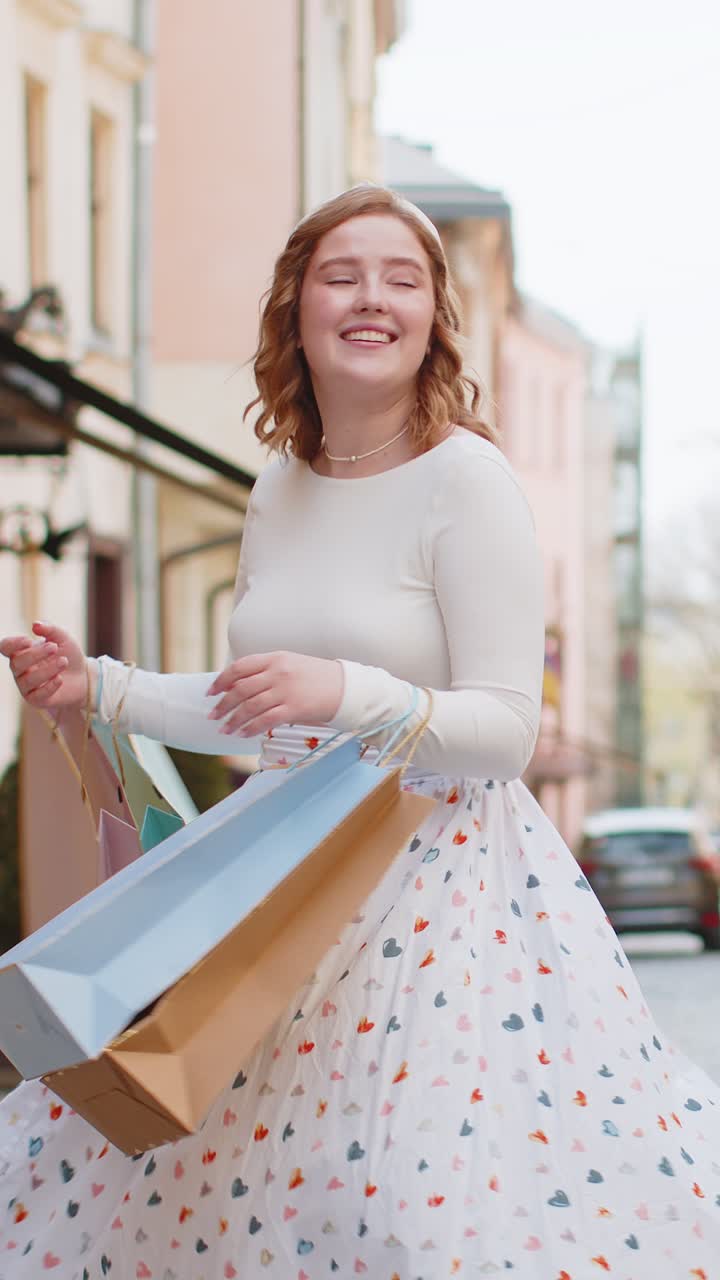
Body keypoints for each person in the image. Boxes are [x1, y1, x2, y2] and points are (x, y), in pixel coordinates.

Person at [0, 186, 718, 1280]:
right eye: (342, 275)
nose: (371, 298)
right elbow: (257, 697)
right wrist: (95, 685)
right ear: (297, 307)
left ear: (434, 316)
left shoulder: (468, 480)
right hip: (278, 873)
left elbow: (507, 730)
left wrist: (351, 690)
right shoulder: (282, 482)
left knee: (405, 1210)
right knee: (219, 1193)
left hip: (439, 899)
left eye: (403, 277)